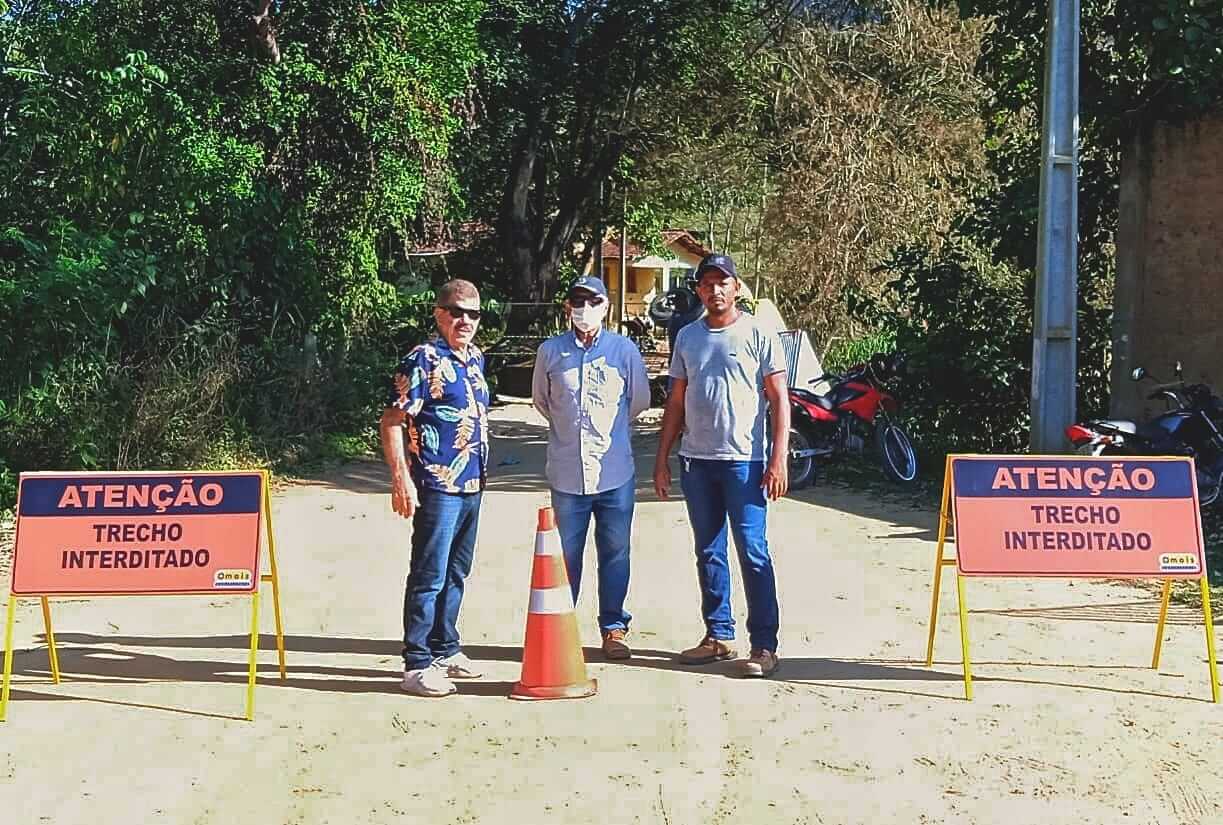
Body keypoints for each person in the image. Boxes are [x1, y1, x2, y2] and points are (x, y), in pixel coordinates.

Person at [652, 253, 790, 678]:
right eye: (707, 283)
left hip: (744, 463)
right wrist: (662, 459)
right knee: (708, 551)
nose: (715, 290)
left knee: (752, 551)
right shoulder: (688, 337)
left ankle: (764, 645)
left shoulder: (758, 333)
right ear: (698, 290)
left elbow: (779, 399)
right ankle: (718, 634)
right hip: (697, 461)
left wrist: (778, 457)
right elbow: (676, 402)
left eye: (722, 282)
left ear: (736, 287)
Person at [380, 279, 490, 697]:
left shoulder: (474, 358)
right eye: (456, 311)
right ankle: (417, 662)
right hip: (437, 482)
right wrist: (401, 478)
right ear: (439, 313)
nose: (465, 320)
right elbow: (392, 421)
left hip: (472, 481)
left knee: (457, 571)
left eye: (473, 314)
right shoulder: (421, 360)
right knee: (429, 574)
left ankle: (446, 648)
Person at [532, 275, 650, 659]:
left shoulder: (624, 351)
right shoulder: (550, 352)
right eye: (578, 301)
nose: (585, 309)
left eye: (593, 302)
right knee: (565, 556)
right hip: (567, 473)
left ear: (606, 306)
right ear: (568, 307)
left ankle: (614, 628)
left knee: (615, 552)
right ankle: (562, 632)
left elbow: (638, 401)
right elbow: (543, 402)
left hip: (614, 472)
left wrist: (605, 433)